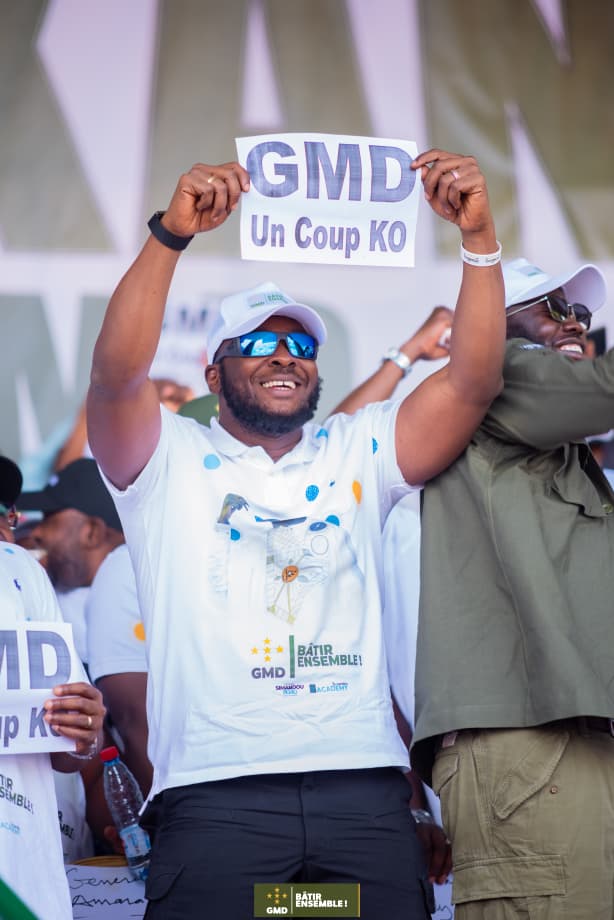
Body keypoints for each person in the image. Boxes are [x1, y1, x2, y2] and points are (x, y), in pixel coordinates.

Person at [86, 148, 505, 919]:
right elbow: (116, 377)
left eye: (301, 346)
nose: (284, 356)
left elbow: (473, 382)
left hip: (360, 793)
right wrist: (171, 236)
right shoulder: (166, 457)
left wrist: (477, 240)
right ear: (213, 375)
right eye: (257, 344)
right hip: (217, 797)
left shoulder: (358, 448)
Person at [412, 256, 614, 920]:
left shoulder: (557, 441)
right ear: (489, 328)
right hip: (528, 747)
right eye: (551, 308)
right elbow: (605, 389)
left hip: (566, 742)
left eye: (579, 313)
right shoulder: (498, 376)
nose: (574, 323)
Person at [0, 456, 105, 919]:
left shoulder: (21, 569)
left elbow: (71, 747)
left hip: (21, 858)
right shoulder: (22, 566)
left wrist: (85, 728)